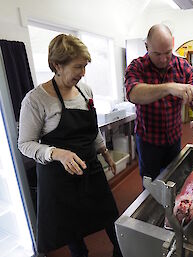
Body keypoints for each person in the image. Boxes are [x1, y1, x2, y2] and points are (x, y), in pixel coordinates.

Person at [18, 34, 123, 257]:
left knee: (110, 217)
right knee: (72, 229)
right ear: (57, 65)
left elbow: (91, 130)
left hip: (90, 168)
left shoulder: (85, 91)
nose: (82, 73)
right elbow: (25, 144)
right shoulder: (36, 100)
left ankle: (120, 251)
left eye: (84, 66)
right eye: (78, 67)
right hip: (59, 178)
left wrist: (105, 153)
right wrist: (56, 153)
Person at [125, 24, 193, 182]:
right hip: (147, 141)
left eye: (168, 52)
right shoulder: (137, 66)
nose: (164, 59)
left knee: (174, 177)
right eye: (157, 54)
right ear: (146, 46)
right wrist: (169, 88)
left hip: (173, 138)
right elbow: (133, 93)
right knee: (150, 183)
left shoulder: (182, 66)